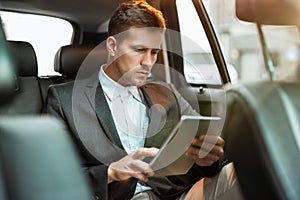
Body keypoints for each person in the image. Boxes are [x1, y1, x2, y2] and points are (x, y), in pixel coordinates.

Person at [46, 0, 243, 199]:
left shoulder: (166, 92)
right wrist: (112, 172)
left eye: (154, 52)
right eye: (139, 50)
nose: (148, 62)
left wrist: (209, 156)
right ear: (113, 46)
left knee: (240, 171)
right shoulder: (64, 99)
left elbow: (202, 143)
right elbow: (50, 176)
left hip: (173, 195)